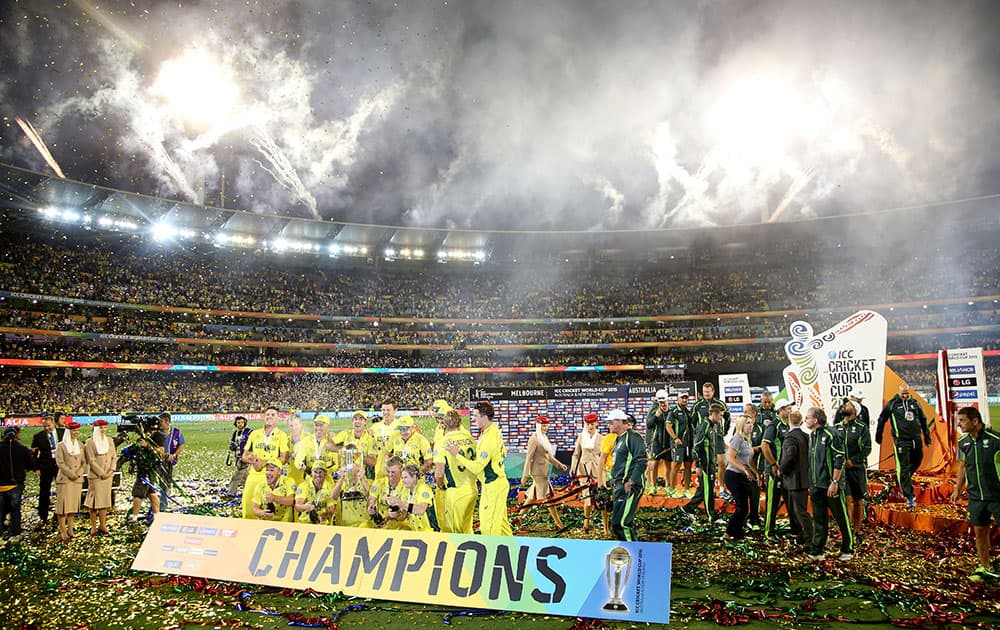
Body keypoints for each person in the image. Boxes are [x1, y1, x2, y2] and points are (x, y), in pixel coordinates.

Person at [446, 400, 512, 536]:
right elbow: (504, 452)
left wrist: (457, 455)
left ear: (484, 416)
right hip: (494, 484)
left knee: (489, 529)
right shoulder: (492, 431)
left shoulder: (489, 438)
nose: (473, 418)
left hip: (494, 486)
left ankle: (492, 556)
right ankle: (512, 553)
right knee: (502, 526)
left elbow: (476, 468)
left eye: (475, 416)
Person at [949, 406, 1000, 582]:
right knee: (980, 532)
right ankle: (985, 567)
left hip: (997, 496)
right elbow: (962, 466)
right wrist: (957, 489)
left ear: (975, 421)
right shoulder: (963, 442)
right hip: (976, 497)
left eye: (962, 420)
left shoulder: (996, 439)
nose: (959, 424)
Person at [805, 407, 853, 562]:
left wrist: (835, 482)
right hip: (816, 486)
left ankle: (848, 548)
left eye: (807, 418)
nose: (805, 420)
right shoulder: (812, 436)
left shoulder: (831, 434)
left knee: (841, 518)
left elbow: (840, 459)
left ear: (816, 420)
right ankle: (817, 550)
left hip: (831, 485)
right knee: (819, 519)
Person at [876, 384, 931, 508]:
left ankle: (902, 479)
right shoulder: (892, 404)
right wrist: (878, 435)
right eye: (903, 394)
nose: (905, 396)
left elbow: (923, 419)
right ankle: (909, 496)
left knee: (918, 460)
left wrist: (927, 437)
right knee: (904, 466)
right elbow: (882, 419)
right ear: (899, 393)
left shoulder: (915, 403)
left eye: (907, 394)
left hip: (916, 439)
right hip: (901, 441)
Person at [761, 396, 801, 540]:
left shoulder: (788, 425)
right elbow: (764, 445)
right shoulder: (774, 425)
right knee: (773, 502)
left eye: (791, 408)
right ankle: (768, 532)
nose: (790, 410)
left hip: (787, 471)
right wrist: (773, 464)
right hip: (775, 471)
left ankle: (795, 530)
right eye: (788, 408)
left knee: (790, 501)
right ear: (780, 410)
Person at [519, 415, 568, 531]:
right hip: (538, 473)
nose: (545, 428)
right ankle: (558, 522)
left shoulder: (543, 438)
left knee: (532, 497)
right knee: (548, 497)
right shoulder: (534, 439)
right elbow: (528, 458)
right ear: (538, 426)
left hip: (543, 472)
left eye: (546, 426)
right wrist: (525, 475)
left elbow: (548, 456)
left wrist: (559, 465)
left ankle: (518, 517)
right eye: (543, 426)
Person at [241, 406, 291, 519]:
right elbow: (244, 455)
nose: (269, 416)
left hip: (271, 476)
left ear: (278, 418)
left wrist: (265, 462)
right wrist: (250, 459)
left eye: (273, 415)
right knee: (248, 504)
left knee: (269, 508)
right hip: (254, 474)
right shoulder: (255, 434)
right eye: (267, 414)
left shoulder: (281, 435)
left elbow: (284, 458)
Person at [435, 409, 478, 534]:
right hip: (472, 489)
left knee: (453, 532)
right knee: (467, 529)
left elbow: (439, 472)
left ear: (444, 424)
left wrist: (441, 485)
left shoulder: (442, 442)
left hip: (456, 492)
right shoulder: (469, 438)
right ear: (460, 423)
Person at [607, 410, 646, 541]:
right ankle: (628, 552)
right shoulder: (619, 439)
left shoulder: (633, 437)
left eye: (611, 422)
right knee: (616, 524)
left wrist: (631, 482)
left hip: (629, 486)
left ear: (619, 422)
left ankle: (634, 555)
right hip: (620, 486)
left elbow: (641, 461)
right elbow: (620, 463)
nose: (609, 425)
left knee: (623, 523)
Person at [683, 402, 725, 523]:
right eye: (720, 415)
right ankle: (712, 516)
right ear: (714, 414)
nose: (721, 418)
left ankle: (688, 508)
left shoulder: (713, 426)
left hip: (710, 464)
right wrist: (699, 465)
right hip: (705, 465)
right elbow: (696, 447)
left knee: (703, 490)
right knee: (708, 491)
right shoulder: (704, 426)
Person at [777, 410, 812, 552]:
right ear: (802, 421)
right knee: (799, 510)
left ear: (789, 421)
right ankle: (804, 536)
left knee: (799, 511)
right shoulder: (806, 436)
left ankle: (810, 539)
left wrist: (781, 469)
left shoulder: (790, 437)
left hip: (793, 480)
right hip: (803, 478)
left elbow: (789, 457)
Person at [691, 382, 730, 499]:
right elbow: (692, 422)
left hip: (717, 438)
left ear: (713, 391)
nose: (706, 394)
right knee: (706, 465)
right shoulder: (697, 405)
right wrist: (697, 433)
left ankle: (722, 489)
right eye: (704, 392)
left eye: (708, 391)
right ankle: (708, 489)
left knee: (722, 463)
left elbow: (727, 418)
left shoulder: (720, 404)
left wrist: (724, 432)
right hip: (705, 439)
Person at [723, 414, 760, 541]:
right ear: (741, 425)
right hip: (733, 475)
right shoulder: (737, 438)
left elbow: (749, 459)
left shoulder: (746, 439)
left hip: (742, 476)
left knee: (744, 507)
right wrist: (744, 468)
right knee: (742, 507)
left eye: (751, 423)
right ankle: (729, 532)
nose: (751, 425)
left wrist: (756, 473)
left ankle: (737, 532)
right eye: (748, 423)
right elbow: (730, 458)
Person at [839, 399, 872, 536]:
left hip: (857, 470)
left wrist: (854, 460)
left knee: (858, 501)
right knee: (847, 500)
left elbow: (867, 448)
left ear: (855, 410)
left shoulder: (861, 427)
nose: (844, 406)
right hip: (842, 471)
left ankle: (857, 530)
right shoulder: (837, 427)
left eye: (848, 405)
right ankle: (847, 530)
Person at [570, 412, 604, 533]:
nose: (590, 427)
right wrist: (573, 467)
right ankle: (586, 522)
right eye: (588, 424)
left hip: (597, 470)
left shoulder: (601, 438)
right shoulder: (581, 437)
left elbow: (605, 456)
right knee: (587, 497)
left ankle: (606, 527)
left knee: (601, 497)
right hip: (583, 469)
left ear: (596, 423)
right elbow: (576, 454)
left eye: (592, 424)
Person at [1, 426, 36, 541]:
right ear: (16, 436)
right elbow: (30, 465)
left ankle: (1, 531)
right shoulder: (22, 449)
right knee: (15, 510)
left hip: (1, 485)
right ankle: (14, 532)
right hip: (15, 485)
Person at [83, 419, 117, 536]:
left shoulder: (110, 440)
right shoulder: (90, 442)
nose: (103, 430)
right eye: (101, 428)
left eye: (104, 427)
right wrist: (101, 473)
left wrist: (111, 470)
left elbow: (114, 457)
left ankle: (103, 524)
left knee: (104, 501)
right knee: (94, 502)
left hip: (108, 476)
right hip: (96, 476)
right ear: (96, 429)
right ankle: (93, 526)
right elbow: (91, 461)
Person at [55, 421, 86, 542]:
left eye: (77, 430)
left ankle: (71, 528)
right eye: (74, 431)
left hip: (77, 480)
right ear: (69, 432)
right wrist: (70, 473)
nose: (76, 433)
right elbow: (60, 463)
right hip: (65, 479)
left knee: (72, 506)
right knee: (63, 507)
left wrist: (78, 473)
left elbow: (83, 462)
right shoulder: (61, 446)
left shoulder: (80, 445)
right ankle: (63, 529)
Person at [386, 463, 438, 531]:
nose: (403, 481)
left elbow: (420, 510)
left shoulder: (423, 488)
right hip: (415, 531)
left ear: (414, 477)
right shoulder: (406, 491)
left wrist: (399, 502)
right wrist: (395, 514)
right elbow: (403, 516)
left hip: (431, 531)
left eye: (405, 477)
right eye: (402, 478)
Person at [30, 415, 60, 528]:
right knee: (44, 491)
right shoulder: (38, 436)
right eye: (45, 426)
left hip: (60, 467)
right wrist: (36, 468)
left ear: (53, 424)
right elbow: (34, 455)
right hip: (45, 467)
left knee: (62, 490)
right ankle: (43, 516)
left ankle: (60, 513)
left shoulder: (62, 433)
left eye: (49, 425)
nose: (48, 428)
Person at [665, 393, 695, 498]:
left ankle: (686, 489)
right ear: (677, 399)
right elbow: (668, 426)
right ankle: (672, 489)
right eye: (682, 398)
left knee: (688, 466)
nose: (684, 400)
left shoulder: (688, 412)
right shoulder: (673, 412)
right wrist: (675, 438)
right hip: (678, 444)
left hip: (688, 444)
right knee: (676, 465)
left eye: (686, 398)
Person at [155, 412, 185, 511]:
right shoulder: (156, 433)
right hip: (156, 461)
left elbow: (181, 445)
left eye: (161, 421)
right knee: (156, 482)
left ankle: (163, 505)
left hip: (170, 462)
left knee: (165, 483)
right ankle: (155, 504)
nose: (159, 424)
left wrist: (174, 454)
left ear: (167, 422)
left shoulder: (177, 432)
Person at [645, 389, 672, 494]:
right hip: (656, 442)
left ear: (667, 400)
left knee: (668, 465)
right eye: (660, 402)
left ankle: (668, 486)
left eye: (664, 401)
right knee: (654, 464)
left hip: (668, 442)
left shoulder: (671, 411)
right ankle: (653, 486)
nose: (662, 404)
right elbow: (649, 425)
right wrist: (656, 416)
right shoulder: (654, 409)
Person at [252, 457, 296, 522]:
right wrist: (262, 513)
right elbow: (255, 508)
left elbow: (292, 501)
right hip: (266, 523)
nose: (268, 473)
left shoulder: (289, 481)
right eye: (267, 470)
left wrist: (275, 498)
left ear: (280, 472)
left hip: (284, 524)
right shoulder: (260, 486)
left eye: (272, 470)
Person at [294, 460, 338, 525]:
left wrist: (320, 517)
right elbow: (297, 506)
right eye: (315, 472)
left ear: (325, 473)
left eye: (320, 472)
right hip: (304, 523)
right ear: (311, 473)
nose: (318, 475)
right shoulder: (303, 485)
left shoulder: (330, 487)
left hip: (323, 524)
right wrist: (305, 507)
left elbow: (331, 511)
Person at [368, 456, 406, 529]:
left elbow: (404, 515)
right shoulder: (379, 482)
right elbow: (371, 500)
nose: (390, 475)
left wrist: (394, 516)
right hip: (380, 521)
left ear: (401, 471)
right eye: (388, 472)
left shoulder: (406, 486)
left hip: (399, 524)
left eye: (393, 472)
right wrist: (371, 509)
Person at [227, 416, 253, 496]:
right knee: (244, 477)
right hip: (238, 457)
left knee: (236, 476)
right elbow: (233, 443)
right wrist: (232, 447)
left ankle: (231, 493)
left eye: (242, 422)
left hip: (246, 457)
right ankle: (250, 491)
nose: (240, 424)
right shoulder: (235, 433)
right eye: (238, 423)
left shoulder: (249, 432)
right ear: (235, 424)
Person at [285, 413, 307, 487]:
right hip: (291, 478)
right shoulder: (287, 441)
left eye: (296, 425)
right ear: (288, 426)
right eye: (291, 425)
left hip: (306, 479)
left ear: (301, 424)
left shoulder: (309, 438)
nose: (294, 428)